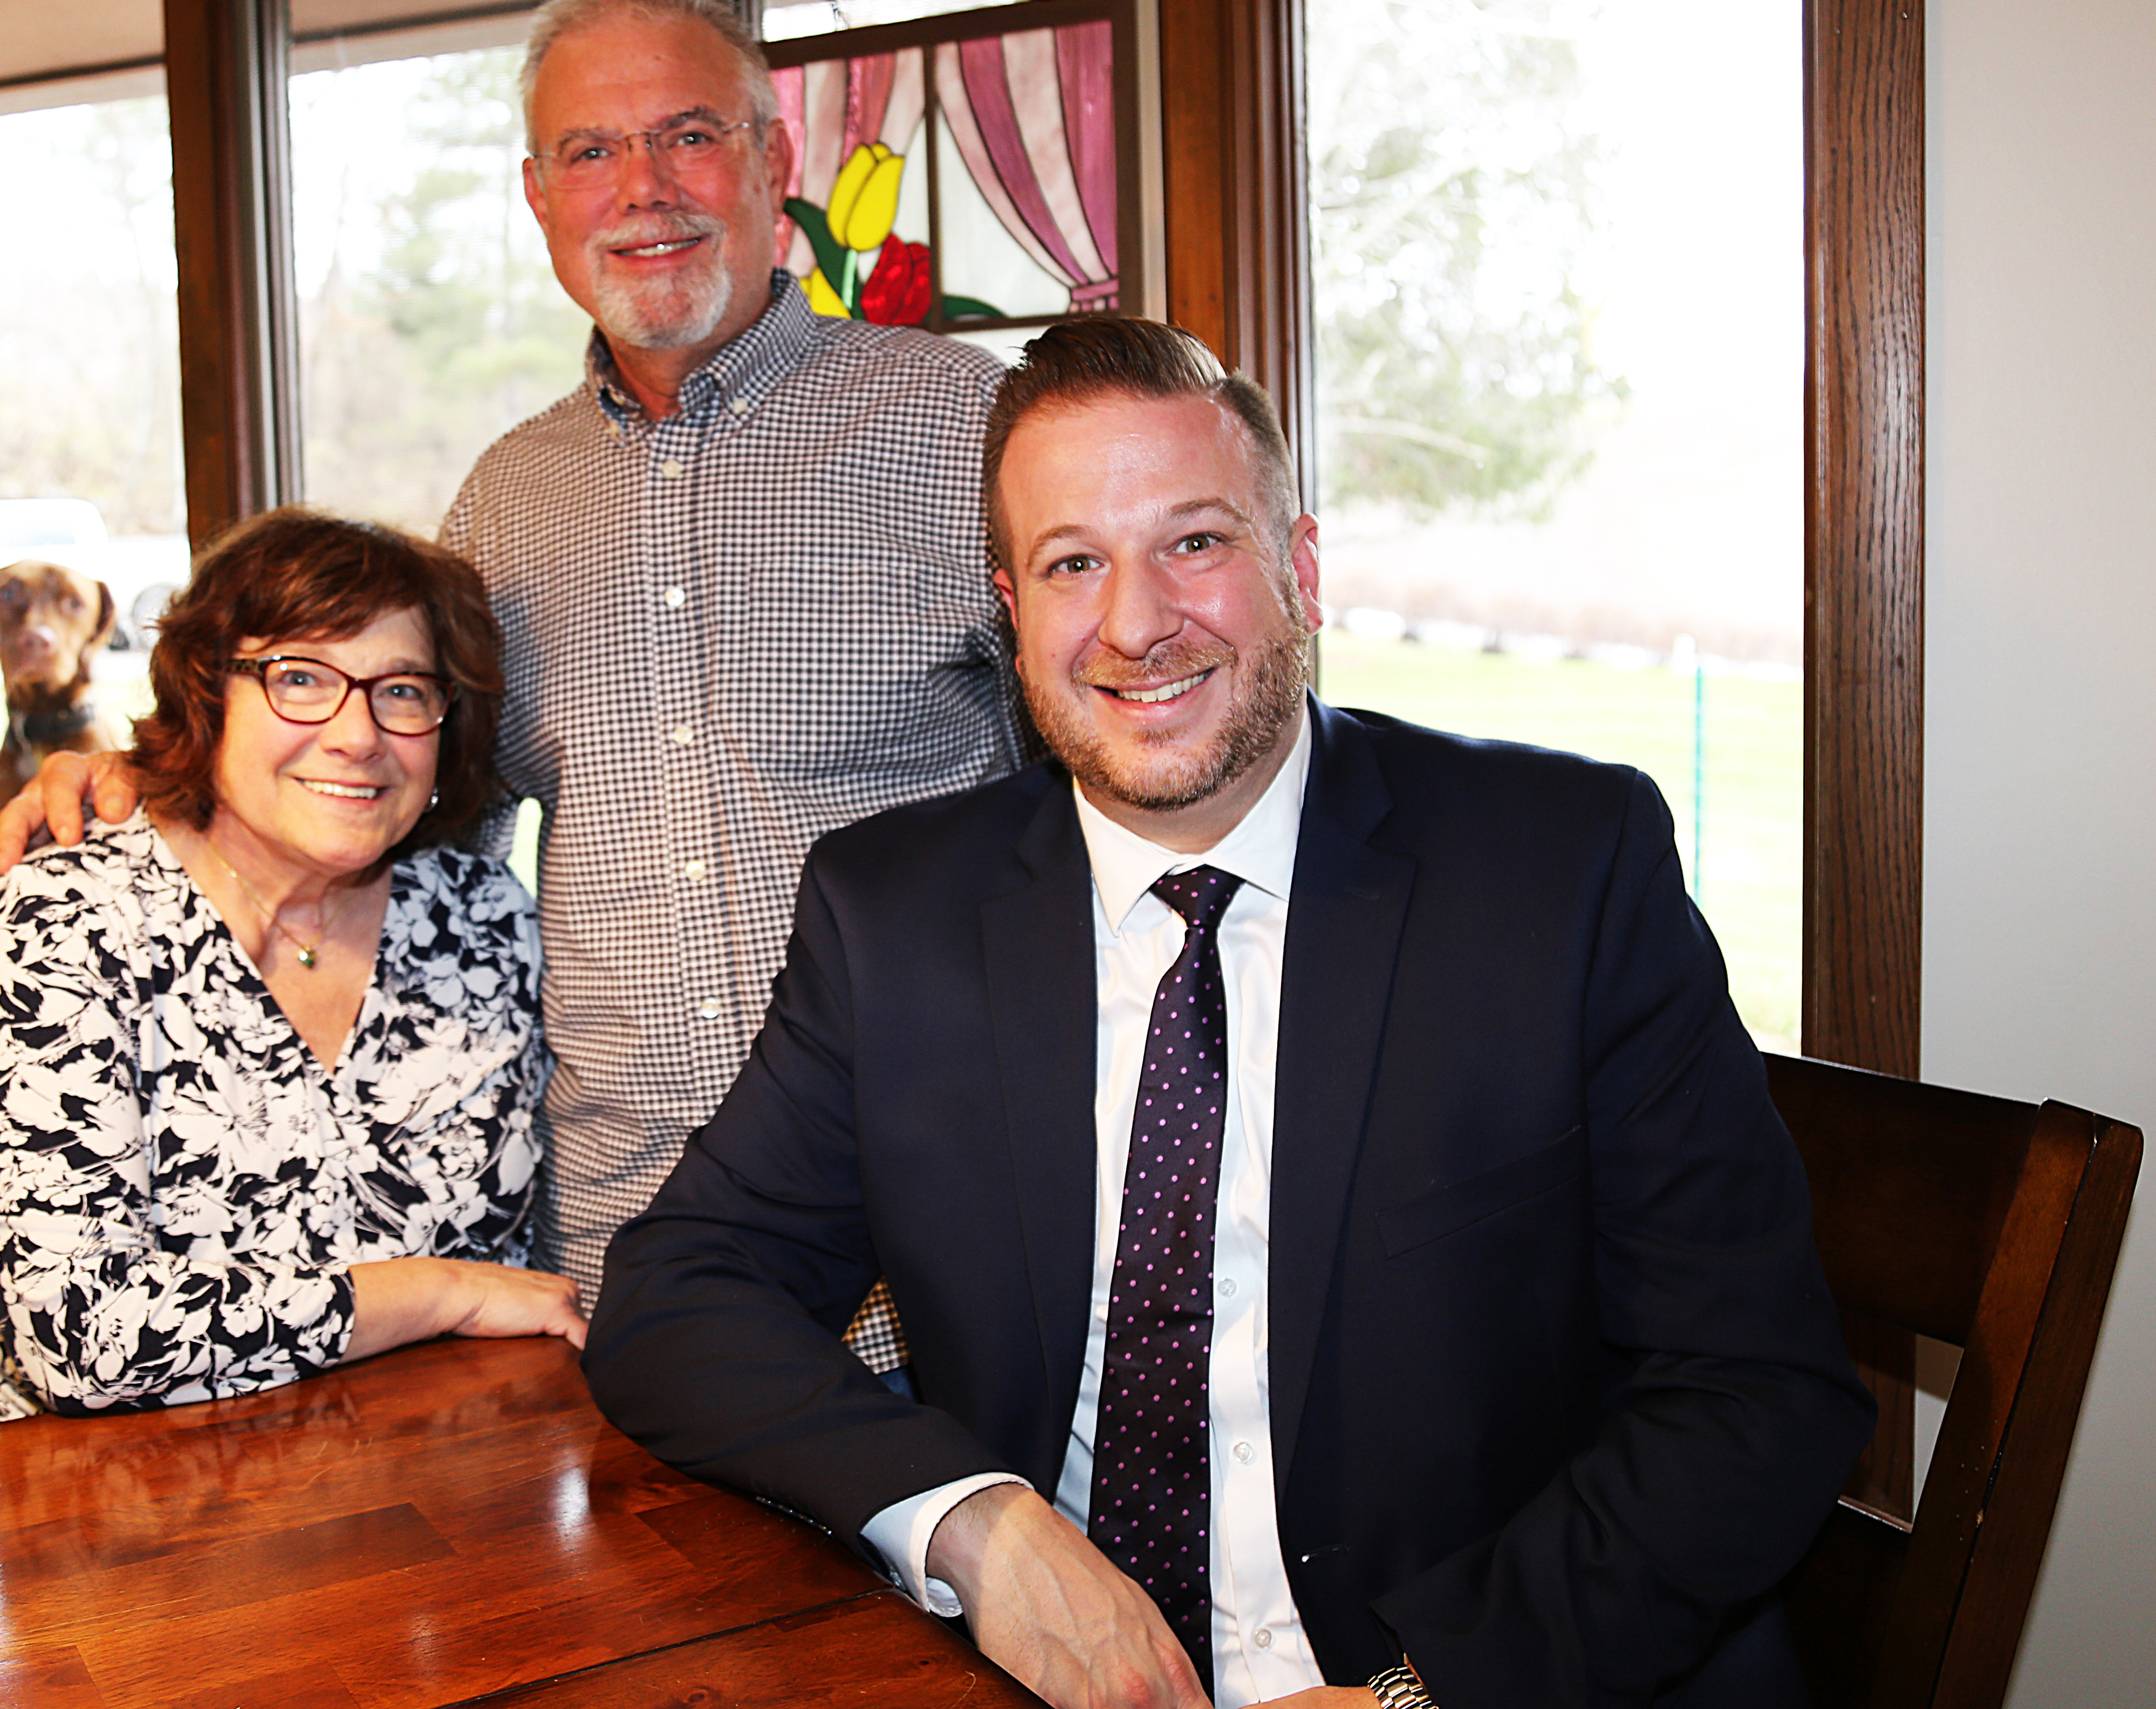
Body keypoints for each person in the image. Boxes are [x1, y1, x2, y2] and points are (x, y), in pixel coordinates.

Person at [583, 318, 1874, 1708]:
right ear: (1012, 612)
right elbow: (677, 1295)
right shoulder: (894, 911)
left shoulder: (1561, 868)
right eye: (1075, 562)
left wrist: (1421, 1695)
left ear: (1299, 571)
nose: (1137, 623)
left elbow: (1757, 1392)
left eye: (1194, 543)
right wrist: (977, 1523)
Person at [0, 0, 1024, 1354]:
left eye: (689, 135)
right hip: (620, 1285)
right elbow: (381, 792)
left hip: (930, 1263)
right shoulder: (502, 510)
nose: (642, 186)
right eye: (592, 150)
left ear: (774, 161)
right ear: (538, 197)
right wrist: (151, 783)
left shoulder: (972, 435)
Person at [0, 508, 582, 1429]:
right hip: (97, 1514)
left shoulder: (479, 918)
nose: (358, 735)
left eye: (402, 691)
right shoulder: (68, 922)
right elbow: (78, 1338)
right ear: (207, 696)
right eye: (300, 679)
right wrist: (442, 1295)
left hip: (428, 1485)